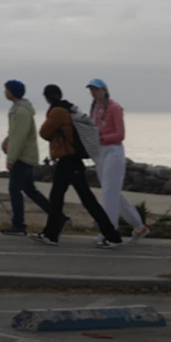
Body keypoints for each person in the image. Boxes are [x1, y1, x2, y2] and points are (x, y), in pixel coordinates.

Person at [33, 82, 123, 248]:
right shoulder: (69, 108)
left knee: (79, 199)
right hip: (72, 159)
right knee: (67, 197)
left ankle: (112, 236)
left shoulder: (57, 111)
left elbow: (44, 132)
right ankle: (51, 234)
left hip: (68, 159)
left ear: (47, 97)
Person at [88, 78, 148, 242]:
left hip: (113, 151)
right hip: (100, 152)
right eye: (92, 90)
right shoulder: (95, 108)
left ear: (104, 90)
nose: (94, 92)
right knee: (112, 192)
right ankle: (139, 226)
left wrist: (101, 137)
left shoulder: (114, 108)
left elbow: (120, 135)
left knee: (109, 192)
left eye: (96, 89)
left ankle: (110, 231)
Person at [0, 80, 51, 235]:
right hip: (25, 156)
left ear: (13, 92)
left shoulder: (21, 112)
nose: (5, 92)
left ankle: (19, 225)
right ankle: (58, 216)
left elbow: (19, 137)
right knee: (30, 190)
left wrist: (11, 159)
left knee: (15, 190)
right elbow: (14, 133)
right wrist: (7, 140)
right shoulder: (17, 109)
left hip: (23, 157)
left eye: (7, 89)